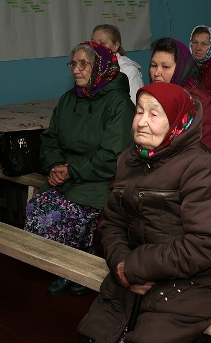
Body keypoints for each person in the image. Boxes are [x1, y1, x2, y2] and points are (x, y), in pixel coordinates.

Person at [77, 83, 211, 343]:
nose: (141, 122)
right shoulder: (129, 160)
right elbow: (111, 224)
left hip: (192, 281)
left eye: (154, 114)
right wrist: (121, 266)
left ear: (176, 121)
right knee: (91, 340)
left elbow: (204, 243)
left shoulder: (201, 167)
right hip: (134, 273)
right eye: (139, 112)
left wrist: (136, 267)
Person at [24, 42, 135, 296]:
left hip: (99, 181)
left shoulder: (119, 104)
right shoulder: (68, 100)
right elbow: (50, 137)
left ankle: (75, 266)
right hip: (67, 177)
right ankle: (66, 266)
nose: (76, 70)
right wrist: (54, 166)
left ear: (100, 66)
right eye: (73, 64)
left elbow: (112, 156)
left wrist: (71, 169)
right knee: (36, 210)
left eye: (83, 63)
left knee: (59, 216)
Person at [149, 37, 211, 152]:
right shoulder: (149, 98)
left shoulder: (202, 104)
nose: (157, 73)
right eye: (154, 66)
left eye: (165, 67)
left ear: (181, 69)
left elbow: (204, 154)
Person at [92, 24, 144, 104]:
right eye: (93, 43)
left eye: (102, 43)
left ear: (115, 46)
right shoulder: (91, 67)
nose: (95, 47)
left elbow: (136, 104)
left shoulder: (128, 70)